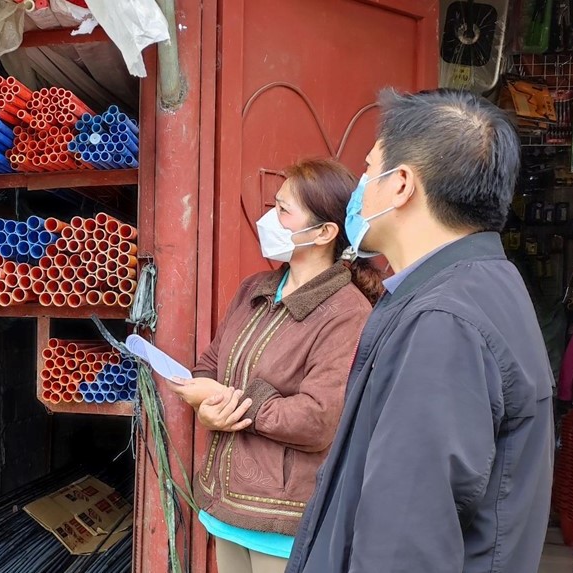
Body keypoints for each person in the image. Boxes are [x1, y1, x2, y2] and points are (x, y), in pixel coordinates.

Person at [286, 89, 554, 573]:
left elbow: (403, 545)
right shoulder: (481, 286)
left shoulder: (444, 324)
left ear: (402, 184)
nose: (361, 186)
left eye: (369, 170)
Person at [171, 158, 382, 573]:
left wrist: (233, 401)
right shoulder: (256, 287)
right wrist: (207, 406)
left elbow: (317, 419)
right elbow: (211, 363)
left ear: (324, 232)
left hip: (283, 517)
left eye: (284, 211)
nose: (270, 218)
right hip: (225, 503)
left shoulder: (346, 311)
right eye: (275, 205)